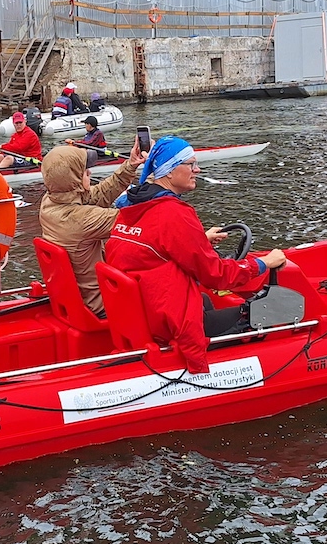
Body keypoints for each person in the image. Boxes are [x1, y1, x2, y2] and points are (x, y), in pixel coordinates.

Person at [105, 137, 287, 374]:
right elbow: (216, 276)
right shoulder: (174, 214)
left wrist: (200, 239)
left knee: (206, 301)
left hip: (147, 310)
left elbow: (157, 246)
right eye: (190, 164)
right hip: (170, 322)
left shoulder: (131, 208)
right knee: (265, 311)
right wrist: (263, 263)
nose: (197, 170)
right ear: (169, 172)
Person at [38, 139, 145, 316]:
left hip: (81, 298)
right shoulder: (81, 219)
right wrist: (160, 184)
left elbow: (98, 194)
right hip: (101, 304)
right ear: (73, 181)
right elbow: (139, 221)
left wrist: (130, 165)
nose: (89, 171)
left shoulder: (50, 202)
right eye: (83, 171)